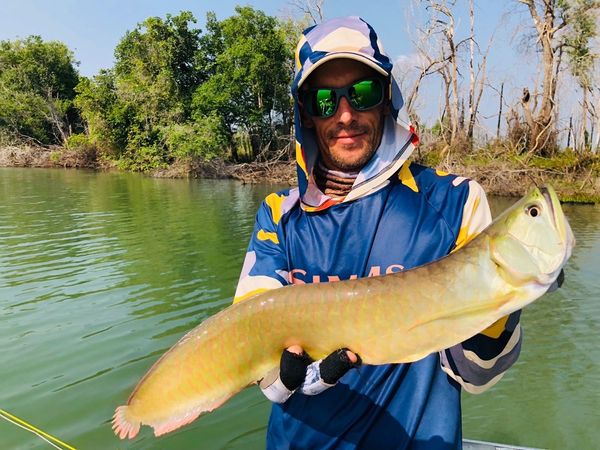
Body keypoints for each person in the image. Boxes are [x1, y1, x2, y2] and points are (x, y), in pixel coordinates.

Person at [233, 16, 522, 450]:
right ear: (306, 115)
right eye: (324, 101)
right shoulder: (279, 215)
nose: (345, 115)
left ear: (386, 99)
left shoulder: (455, 202)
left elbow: (479, 373)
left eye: (362, 93)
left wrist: (506, 295)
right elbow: (258, 372)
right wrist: (294, 378)